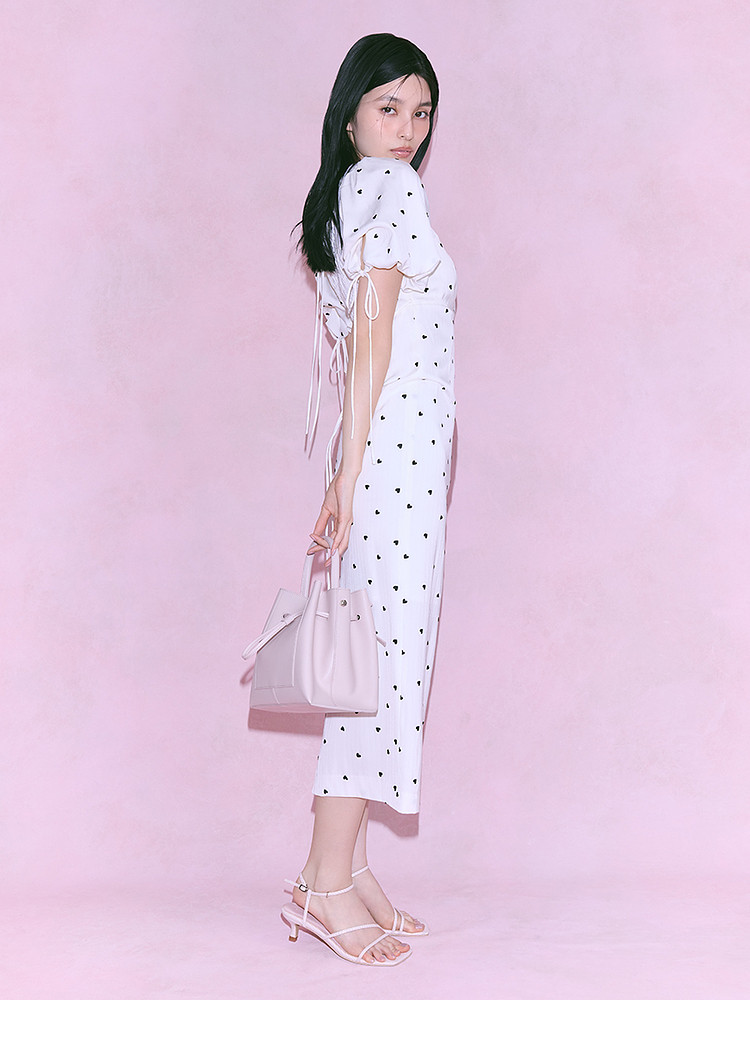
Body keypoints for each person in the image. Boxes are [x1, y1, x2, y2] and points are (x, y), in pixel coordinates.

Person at [280, 33, 456, 966]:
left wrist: (343, 475)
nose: (407, 128)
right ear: (349, 113)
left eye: (420, 112)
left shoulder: (348, 193)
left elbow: (357, 343)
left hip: (386, 458)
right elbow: (376, 345)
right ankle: (322, 881)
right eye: (389, 106)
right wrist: (349, 477)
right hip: (398, 461)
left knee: (373, 662)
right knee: (380, 670)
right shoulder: (390, 188)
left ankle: (348, 869)